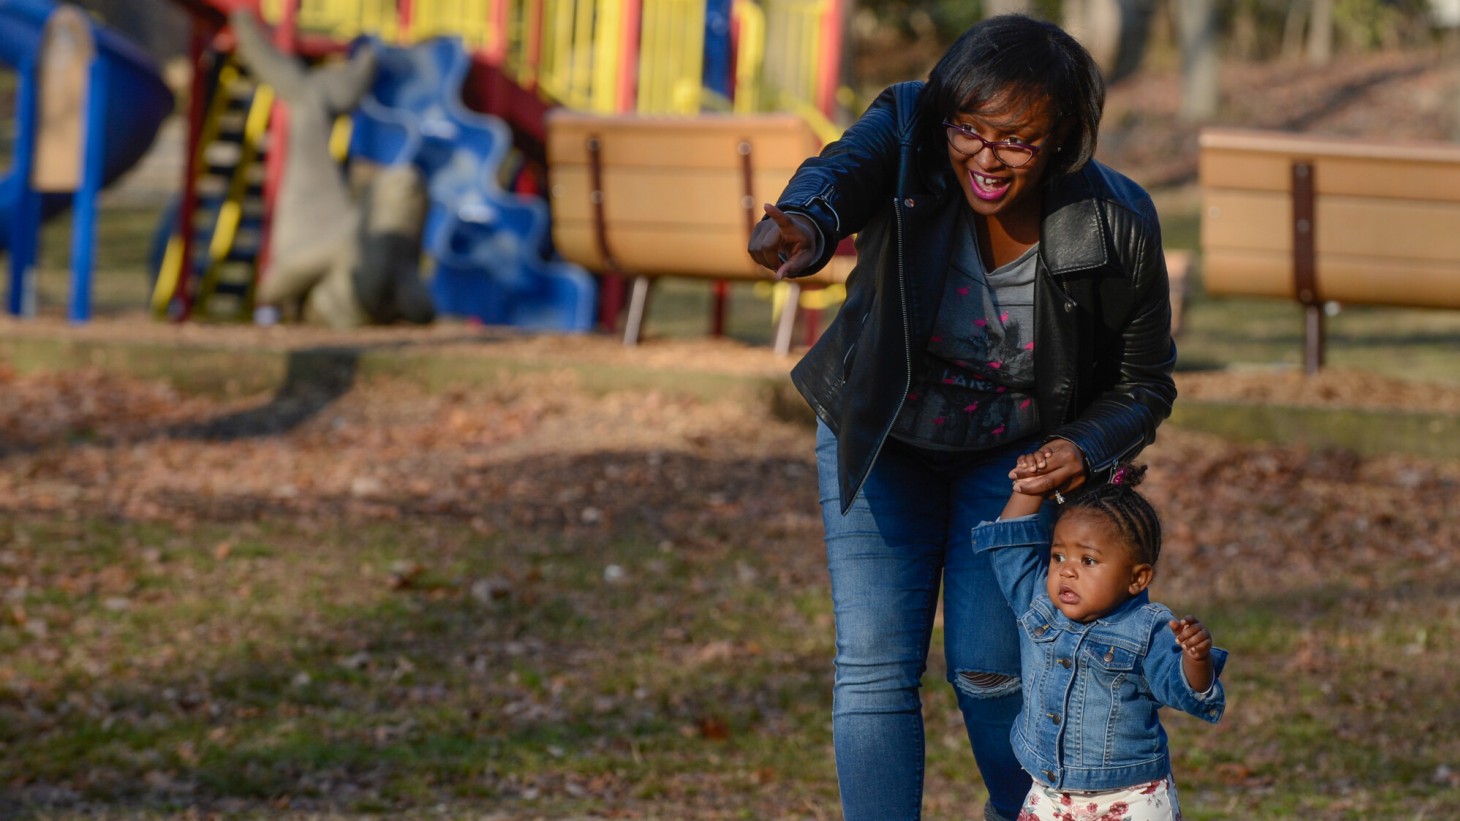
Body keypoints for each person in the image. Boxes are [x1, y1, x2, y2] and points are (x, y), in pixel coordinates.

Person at [746, 13, 1178, 821]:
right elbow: (840, 174)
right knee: (873, 665)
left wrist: (1080, 445)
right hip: (880, 438)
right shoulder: (912, 126)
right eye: (970, 129)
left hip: (1008, 464)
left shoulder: (1117, 223)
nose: (985, 156)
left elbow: (1145, 382)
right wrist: (805, 222)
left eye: (1016, 139)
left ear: (1061, 140)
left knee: (992, 668)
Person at [977, 460, 1226, 820]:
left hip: (1130, 797)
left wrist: (1196, 659)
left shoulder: (1148, 629)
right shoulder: (1039, 603)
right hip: (1049, 794)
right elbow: (1009, 548)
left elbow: (1183, 689)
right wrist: (1027, 489)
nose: (1068, 569)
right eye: (1058, 555)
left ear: (1137, 579)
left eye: (1088, 560)